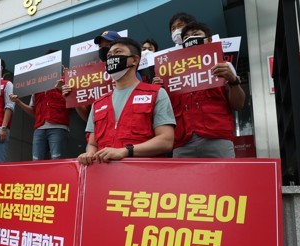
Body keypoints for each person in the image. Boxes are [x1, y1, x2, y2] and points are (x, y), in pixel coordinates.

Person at [78, 37, 175, 165]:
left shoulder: (156, 93)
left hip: (143, 174)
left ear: (134, 60)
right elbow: (92, 144)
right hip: (105, 176)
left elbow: (166, 141)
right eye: (109, 55)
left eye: (118, 52)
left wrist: (125, 151)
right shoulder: (98, 103)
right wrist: (89, 153)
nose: (112, 57)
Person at [157, 22, 245, 158]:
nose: (191, 38)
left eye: (196, 34)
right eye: (186, 37)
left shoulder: (223, 66)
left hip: (217, 137)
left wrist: (233, 80)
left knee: (223, 179)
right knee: (183, 180)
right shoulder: (171, 72)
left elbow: (238, 105)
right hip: (182, 142)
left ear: (209, 40)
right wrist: (157, 88)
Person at [9, 51, 70, 160]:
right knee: (36, 162)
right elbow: (34, 112)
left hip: (58, 127)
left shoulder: (65, 80)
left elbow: (73, 104)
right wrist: (18, 102)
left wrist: (63, 89)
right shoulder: (37, 85)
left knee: (57, 161)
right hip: (39, 129)